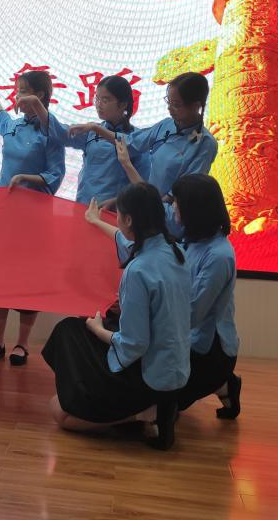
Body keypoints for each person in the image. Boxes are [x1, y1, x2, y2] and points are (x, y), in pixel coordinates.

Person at [41, 182, 190, 450]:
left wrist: (97, 328)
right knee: (68, 330)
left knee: (59, 410)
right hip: (173, 369)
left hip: (148, 377)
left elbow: (134, 344)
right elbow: (124, 240)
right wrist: (95, 221)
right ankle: (139, 408)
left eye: (118, 215)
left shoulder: (138, 270)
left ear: (129, 219)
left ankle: (144, 413)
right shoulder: (175, 251)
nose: (117, 220)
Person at [0, 72, 65, 366]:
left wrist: (27, 178)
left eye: (23, 91)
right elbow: (0, 117)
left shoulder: (51, 131)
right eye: (17, 90)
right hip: (3, 211)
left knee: (28, 278)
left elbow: (56, 174)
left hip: (33, 216)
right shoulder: (13, 126)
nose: (18, 96)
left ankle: (22, 344)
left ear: (40, 95)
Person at [18, 75, 150, 206]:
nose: (99, 104)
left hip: (115, 213)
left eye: (105, 100)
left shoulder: (137, 139)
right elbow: (60, 132)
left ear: (123, 104)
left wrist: (117, 201)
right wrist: (36, 104)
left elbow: (143, 188)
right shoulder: (90, 131)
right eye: (97, 98)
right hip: (83, 207)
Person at [171, 174, 241, 418]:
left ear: (194, 210)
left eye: (177, 202)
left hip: (208, 352)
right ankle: (222, 385)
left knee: (158, 408)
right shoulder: (193, 241)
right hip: (186, 340)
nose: (173, 206)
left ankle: (221, 381)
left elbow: (192, 314)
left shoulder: (218, 256)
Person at [103, 72, 217, 202]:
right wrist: (97, 129)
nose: (169, 108)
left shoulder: (206, 143)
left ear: (195, 106)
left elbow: (183, 192)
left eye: (176, 104)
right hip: (151, 202)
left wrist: (152, 206)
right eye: (169, 101)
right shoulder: (166, 125)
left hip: (173, 209)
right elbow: (130, 142)